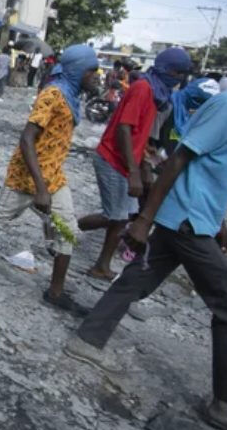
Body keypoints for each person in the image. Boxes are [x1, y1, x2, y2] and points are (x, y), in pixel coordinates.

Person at [65, 81, 227, 430]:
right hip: (185, 220)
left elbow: (210, 170)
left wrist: (219, 221)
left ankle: (86, 340)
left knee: (137, 279)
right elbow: (180, 157)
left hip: (193, 217)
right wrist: (145, 218)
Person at [0, 45, 100, 314]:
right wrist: (40, 188)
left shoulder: (71, 97)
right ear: (76, 70)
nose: (96, 76)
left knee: (67, 229)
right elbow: (26, 139)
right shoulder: (52, 95)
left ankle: (55, 293)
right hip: (28, 175)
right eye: (91, 70)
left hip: (54, 175)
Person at [77, 48, 193, 281]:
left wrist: (146, 163)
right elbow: (123, 128)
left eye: (183, 74)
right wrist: (134, 172)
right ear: (165, 68)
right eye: (177, 72)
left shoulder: (157, 94)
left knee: (123, 216)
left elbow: (139, 136)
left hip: (125, 161)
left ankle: (102, 264)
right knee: (114, 216)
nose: (179, 78)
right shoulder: (143, 89)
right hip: (112, 158)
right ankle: (66, 227)